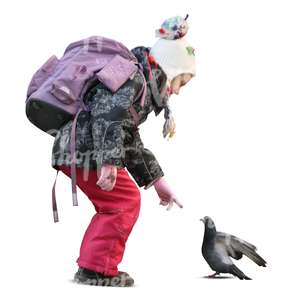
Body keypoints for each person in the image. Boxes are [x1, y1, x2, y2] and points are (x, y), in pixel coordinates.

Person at [51, 15, 196, 287]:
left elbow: (129, 140)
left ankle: (93, 266)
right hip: (83, 147)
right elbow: (109, 115)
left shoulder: (138, 84)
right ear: (169, 68)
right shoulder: (132, 76)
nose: (177, 92)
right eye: (181, 82)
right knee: (123, 201)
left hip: (78, 147)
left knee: (118, 201)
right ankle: (96, 270)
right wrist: (108, 162)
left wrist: (158, 182)